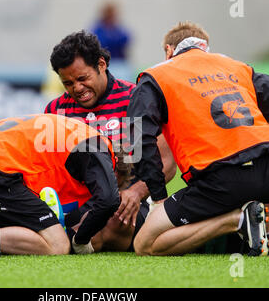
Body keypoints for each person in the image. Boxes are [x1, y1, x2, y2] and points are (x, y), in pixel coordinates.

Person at [128, 21, 269, 256]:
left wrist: (158, 197)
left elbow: (139, 137)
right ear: (204, 47)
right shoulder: (233, 65)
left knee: (144, 245)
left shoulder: (156, 75)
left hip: (222, 181)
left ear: (169, 51)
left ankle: (236, 220)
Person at [45, 30, 177, 252]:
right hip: (79, 206)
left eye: (82, 78)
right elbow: (50, 170)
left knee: (115, 218)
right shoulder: (56, 110)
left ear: (101, 64)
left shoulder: (136, 99)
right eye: (67, 83)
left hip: (127, 205)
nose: (77, 88)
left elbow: (167, 163)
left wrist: (136, 192)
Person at [0, 114, 131, 255]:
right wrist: (80, 240)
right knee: (57, 244)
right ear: (113, 170)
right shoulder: (98, 146)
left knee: (31, 230)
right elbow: (108, 200)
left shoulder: (75, 133)